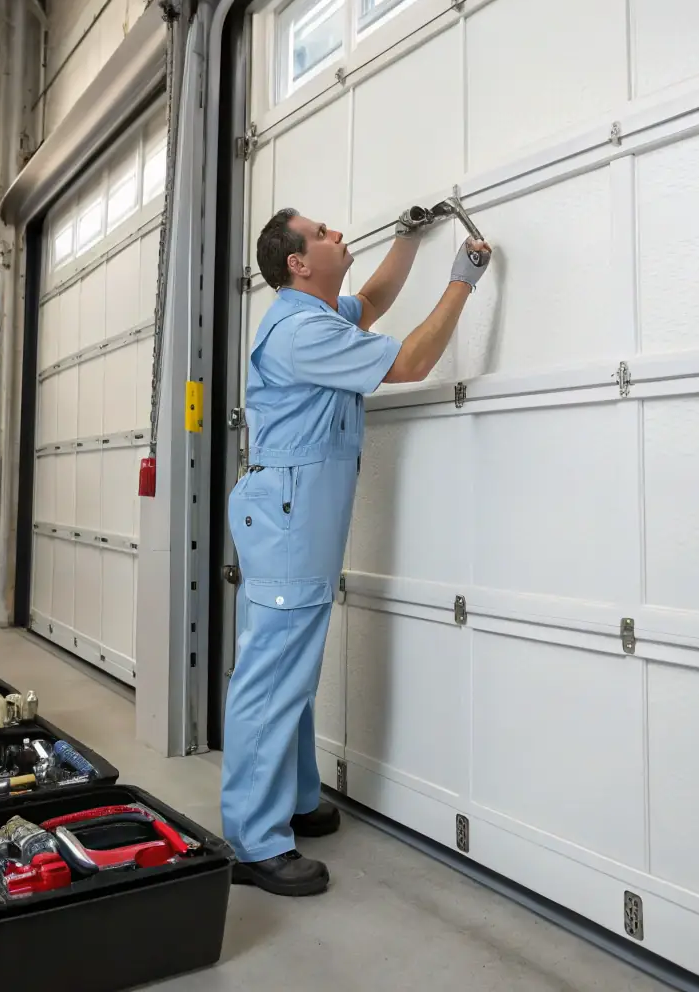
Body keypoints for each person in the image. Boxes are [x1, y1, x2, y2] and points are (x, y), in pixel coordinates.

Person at [221, 205, 492, 895]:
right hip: (288, 517)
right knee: (271, 676)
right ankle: (254, 842)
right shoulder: (302, 330)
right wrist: (463, 278)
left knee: (292, 669)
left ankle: (294, 799)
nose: (337, 234)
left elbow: (369, 301)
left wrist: (405, 241)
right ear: (298, 263)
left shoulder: (315, 314)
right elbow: (412, 359)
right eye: (321, 234)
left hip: (291, 512)